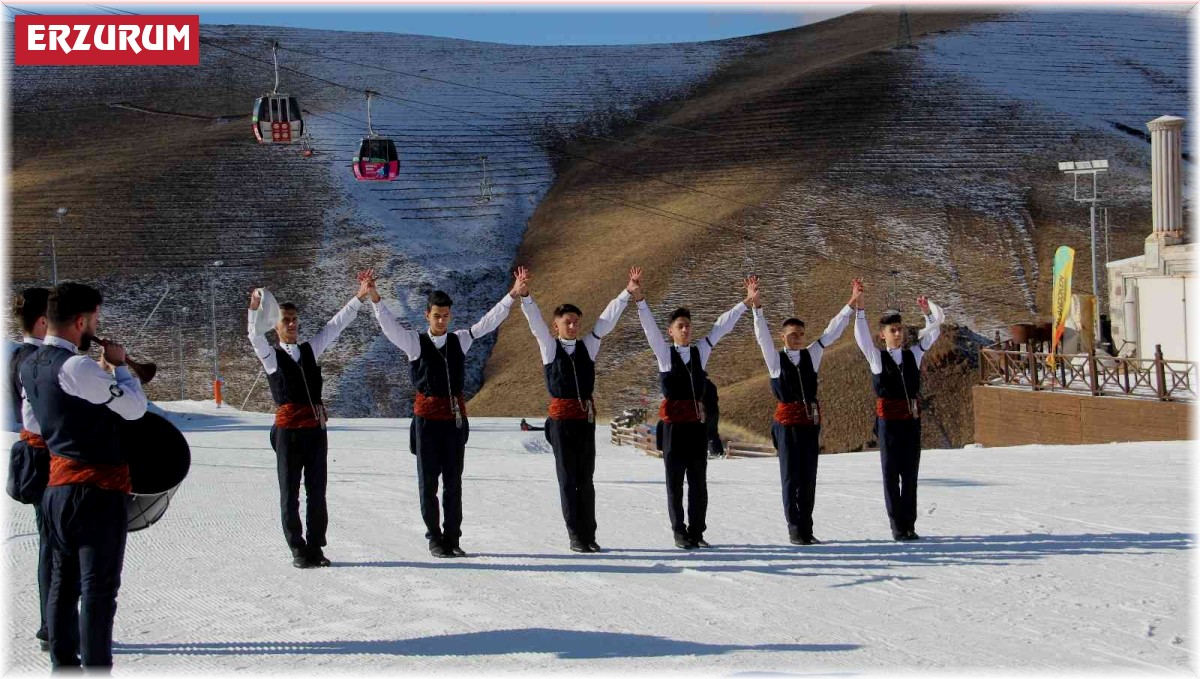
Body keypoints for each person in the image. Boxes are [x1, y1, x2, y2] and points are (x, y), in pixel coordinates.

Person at [23, 282, 147, 669]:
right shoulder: (77, 366)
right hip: (95, 492)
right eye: (94, 319)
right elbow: (134, 409)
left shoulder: (30, 365)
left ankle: (62, 667)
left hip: (57, 490)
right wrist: (120, 367)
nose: (96, 326)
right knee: (98, 590)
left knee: (63, 584)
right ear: (80, 321)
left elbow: (38, 426)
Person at [368, 272, 523, 558]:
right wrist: (376, 299)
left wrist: (512, 295)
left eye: (446, 316)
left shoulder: (460, 340)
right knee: (429, 484)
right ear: (427, 315)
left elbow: (487, 323)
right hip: (426, 422)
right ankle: (435, 538)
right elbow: (391, 329)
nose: (442, 321)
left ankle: (452, 538)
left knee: (454, 483)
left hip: (453, 421)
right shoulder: (415, 343)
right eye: (437, 315)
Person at [247, 271, 374, 568]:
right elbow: (253, 336)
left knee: (317, 490)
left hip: (315, 431)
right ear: (275, 325)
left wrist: (359, 296)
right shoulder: (271, 357)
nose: (291, 324)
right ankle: (297, 548)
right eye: (285, 320)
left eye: (294, 319)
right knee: (289, 492)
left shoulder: (309, 349)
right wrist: (254, 306)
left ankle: (316, 546)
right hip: (288, 432)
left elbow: (335, 326)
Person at [517, 265, 638, 552]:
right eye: (567, 322)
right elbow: (534, 324)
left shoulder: (589, 346)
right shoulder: (549, 347)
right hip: (561, 423)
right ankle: (575, 535)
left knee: (586, 478)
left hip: (585, 421)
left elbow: (606, 321)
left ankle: (590, 534)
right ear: (555, 326)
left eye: (576, 322)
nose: (572, 326)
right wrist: (525, 297)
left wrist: (627, 292)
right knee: (567, 478)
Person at [635, 272, 754, 549]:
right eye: (680, 326)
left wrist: (745, 303)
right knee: (675, 484)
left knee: (699, 484)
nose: (686, 330)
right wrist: (640, 300)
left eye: (688, 325)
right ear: (671, 331)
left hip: (697, 429)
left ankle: (697, 531)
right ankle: (679, 532)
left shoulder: (702, 351)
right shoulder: (665, 355)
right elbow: (649, 329)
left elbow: (721, 327)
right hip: (674, 429)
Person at [751, 276, 858, 545]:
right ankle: (795, 528)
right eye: (792, 335)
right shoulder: (776, 360)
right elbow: (761, 337)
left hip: (810, 424)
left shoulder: (813, 354)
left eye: (800, 334)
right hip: (787, 426)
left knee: (809, 476)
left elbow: (831, 332)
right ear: (783, 337)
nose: (797, 338)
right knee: (791, 477)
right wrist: (757, 307)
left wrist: (851, 304)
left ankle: (807, 528)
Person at [852, 283, 944, 540]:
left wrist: (927, 313)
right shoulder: (876, 358)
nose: (898, 333)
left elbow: (933, 334)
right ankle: (897, 526)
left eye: (900, 329)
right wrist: (860, 308)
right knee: (891, 475)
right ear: (882, 335)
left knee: (910, 474)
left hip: (911, 423)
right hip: (888, 425)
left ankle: (910, 524)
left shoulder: (914, 354)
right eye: (893, 330)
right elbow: (860, 338)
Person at [7, 287, 51, 651]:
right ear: (42, 322)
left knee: (52, 542)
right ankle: (51, 626)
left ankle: (53, 623)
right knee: (54, 544)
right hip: (45, 458)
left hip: (37, 456)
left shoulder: (21, 355)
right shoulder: (34, 360)